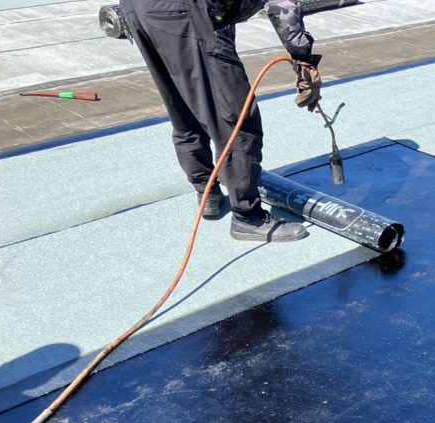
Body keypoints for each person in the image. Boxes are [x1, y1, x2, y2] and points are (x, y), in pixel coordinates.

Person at [120, 0, 322, 242]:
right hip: (184, 12)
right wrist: (303, 57)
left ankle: (207, 192)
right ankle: (247, 217)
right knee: (236, 120)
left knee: (184, 106)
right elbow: (283, 5)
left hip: (139, 10)